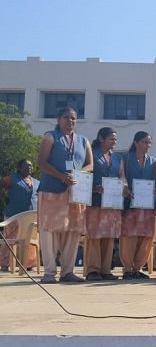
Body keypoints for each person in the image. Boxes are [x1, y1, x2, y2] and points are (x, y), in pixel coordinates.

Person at [37, 107, 93, 283]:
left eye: (74, 118)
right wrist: (61, 176)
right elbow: (41, 162)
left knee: (73, 231)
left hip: (75, 192)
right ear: (58, 119)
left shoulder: (84, 141)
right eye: (66, 118)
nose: (70, 121)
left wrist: (77, 174)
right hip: (52, 190)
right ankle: (49, 272)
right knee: (50, 230)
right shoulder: (50, 137)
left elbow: (90, 165)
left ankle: (68, 271)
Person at [84, 127, 127, 281]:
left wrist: (124, 188)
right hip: (95, 201)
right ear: (101, 139)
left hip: (112, 202)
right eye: (111, 139)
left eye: (115, 139)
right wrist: (94, 188)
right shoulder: (91, 154)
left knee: (109, 236)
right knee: (94, 235)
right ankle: (92, 270)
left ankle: (105, 269)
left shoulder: (117, 158)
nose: (114, 142)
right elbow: (84, 176)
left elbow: (122, 177)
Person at [120, 131, 156, 280]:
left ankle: (138, 267)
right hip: (131, 203)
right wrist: (125, 188)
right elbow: (121, 176)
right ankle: (128, 268)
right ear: (135, 142)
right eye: (144, 142)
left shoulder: (153, 162)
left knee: (145, 236)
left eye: (149, 143)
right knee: (129, 235)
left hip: (148, 206)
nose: (147, 145)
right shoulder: (125, 159)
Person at [0, 159, 39, 272]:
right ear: (20, 168)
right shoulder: (11, 179)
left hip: (31, 216)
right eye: (26, 166)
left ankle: (28, 263)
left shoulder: (37, 182)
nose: (29, 168)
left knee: (30, 239)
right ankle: (5, 263)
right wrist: (4, 199)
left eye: (31, 166)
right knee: (11, 238)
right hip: (14, 215)